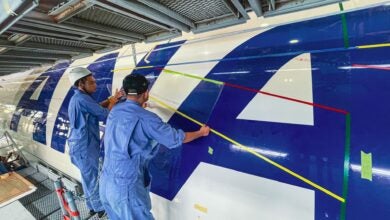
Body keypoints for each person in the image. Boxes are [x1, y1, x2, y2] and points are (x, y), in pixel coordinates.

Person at [100, 74, 210, 220]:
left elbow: (128, 117)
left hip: (106, 182)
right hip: (126, 189)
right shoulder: (147, 119)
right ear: (146, 93)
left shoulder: (115, 110)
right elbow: (176, 138)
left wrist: (139, 109)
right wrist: (201, 132)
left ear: (125, 93)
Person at [67, 67, 121, 218]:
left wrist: (110, 100)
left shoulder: (79, 98)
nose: (95, 85)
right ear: (80, 84)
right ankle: (99, 208)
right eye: (91, 83)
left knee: (87, 177)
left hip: (79, 145)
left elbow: (96, 108)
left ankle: (91, 205)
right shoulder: (82, 99)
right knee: (93, 177)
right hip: (84, 146)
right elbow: (105, 114)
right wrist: (114, 102)